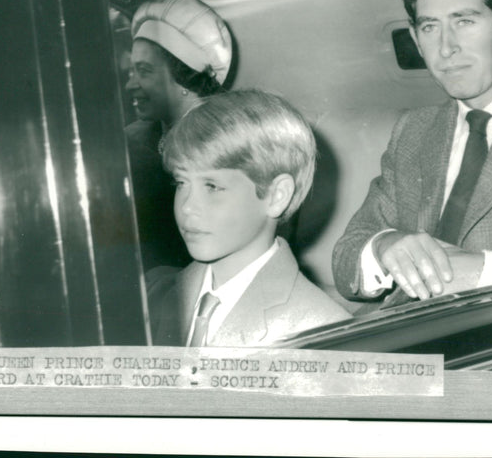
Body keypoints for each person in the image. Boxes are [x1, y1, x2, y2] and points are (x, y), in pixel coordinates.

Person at [332, 0, 492, 306]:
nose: (446, 48)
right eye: (430, 27)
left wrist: (487, 272)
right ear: (417, 42)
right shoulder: (414, 131)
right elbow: (346, 259)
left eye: (464, 21)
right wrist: (384, 246)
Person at [147, 89, 351, 346]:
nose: (187, 206)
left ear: (276, 196)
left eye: (212, 186)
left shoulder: (321, 331)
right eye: (181, 182)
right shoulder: (155, 291)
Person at [124, 0, 233, 270]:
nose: (130, 85)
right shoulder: (128, 143)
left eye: (144, 71)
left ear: (182, 77)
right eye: (131, 72)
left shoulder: (233, 143)